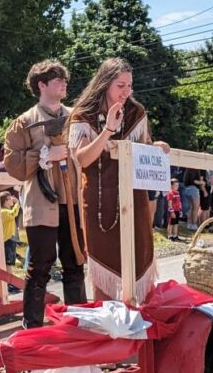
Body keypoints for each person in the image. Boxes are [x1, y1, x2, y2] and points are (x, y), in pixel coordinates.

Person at [69, 57, 170, 304]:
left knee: (138, 256)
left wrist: (156, 147)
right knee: (103, 266)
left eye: (130, 85)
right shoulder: (84, 115)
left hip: (134, 199)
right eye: (121, 85)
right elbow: (82, 159)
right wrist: (108, 131)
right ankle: (107, 326)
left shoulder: (137, 112)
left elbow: (144, 147)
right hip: (99, 200)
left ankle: (138, 322)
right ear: (105, 84)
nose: (127, 91)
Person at [4, 59, 87, 328]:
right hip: (41, 203)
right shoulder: (24, 122)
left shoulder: (76, 117)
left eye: (65, 80)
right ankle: (33, 327)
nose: (64, 84)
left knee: (75, 261)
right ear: (42, 85)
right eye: (57, 80)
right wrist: (43, 155)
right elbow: (13, 165)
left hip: (72, 199)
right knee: (40, 265)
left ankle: (80, 323)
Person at [0, 192, 22, 290]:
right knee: (8, 263)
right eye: (9, 199)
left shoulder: (6, 210)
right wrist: (17, 203)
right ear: (4, 202)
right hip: (7, 239)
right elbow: (14, 213)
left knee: (10, 263)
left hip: (10, 238)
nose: (11, 200)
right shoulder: (3, 211)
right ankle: (9, 283)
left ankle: (10, 282)